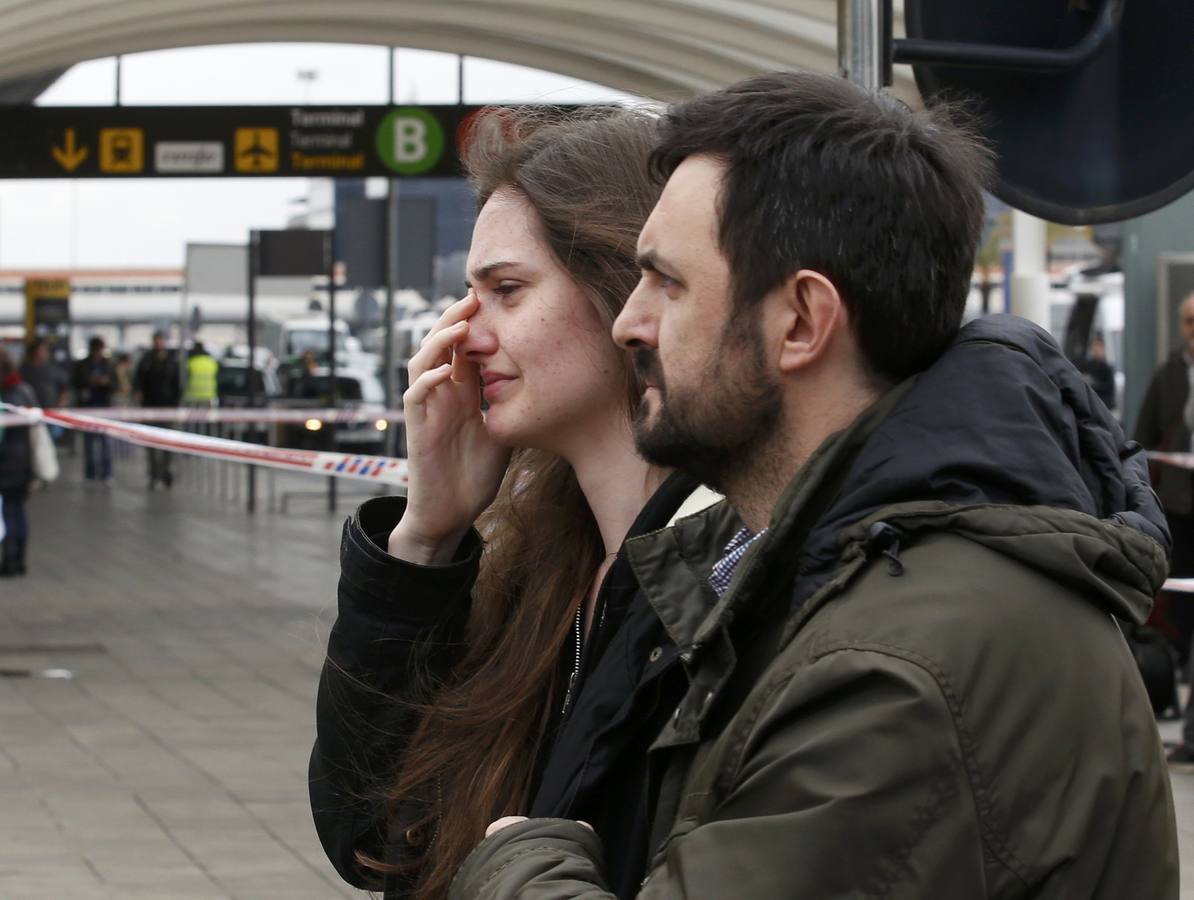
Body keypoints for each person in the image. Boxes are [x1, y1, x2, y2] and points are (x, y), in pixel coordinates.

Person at [452, 73, 1179, 899]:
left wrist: (520, 866)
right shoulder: (814, 574)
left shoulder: (898, 666)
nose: (631, 322)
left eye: (668, 283)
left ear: (800, 320)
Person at [308, 107, 716, 900]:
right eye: (469, 294)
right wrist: (426, 539)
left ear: (626, 295)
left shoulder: (720, 584)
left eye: (506, 290)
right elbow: (377, 838)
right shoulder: (551, 566)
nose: (463, 335)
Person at [1136, 290, 1194, 767]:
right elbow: (1145, 437)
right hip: (1178, 507)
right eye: (1191, 320)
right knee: (1178, 608)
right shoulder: (1168, 377)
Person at [0, 347, 38, 575]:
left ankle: (9, 561)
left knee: (7, 514)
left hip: (5, 463)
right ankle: (19, 560)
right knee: (18, 511)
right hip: (23, 461)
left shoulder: (5, 397)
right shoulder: (26, 391)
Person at [133, 330, 180, 489]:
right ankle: (154, 474)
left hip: (167, 408)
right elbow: (138, 383)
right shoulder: (146, 361)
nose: (159, 343)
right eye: (157, 340)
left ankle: (164, 471)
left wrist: (175, 405)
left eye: (161, 340)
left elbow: (178, 384)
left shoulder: (173, 361)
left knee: (168, 443)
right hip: (149, 407)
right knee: (151, 443)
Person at [72, 335, 115, 483]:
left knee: (105, 442)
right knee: (88, 443)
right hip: (87, 407)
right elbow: (75, 381)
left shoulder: (108, 365)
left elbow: (114, 384)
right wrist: (88, 381)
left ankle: (106, 473)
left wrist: (106, 382)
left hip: (104, 406)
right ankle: (90, 473)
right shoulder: (83, 365)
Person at [1077, 333, 1116, 410]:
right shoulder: (1086, 367)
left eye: (1099, 346)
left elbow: (1108, 388)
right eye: (1094, 346)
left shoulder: (1107, 369)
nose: (1096, 349)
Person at [183, 340, 219, 407]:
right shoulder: (211, 362)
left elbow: (184, 378)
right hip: (209, 395)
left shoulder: (190, 362)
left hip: (192, 395)